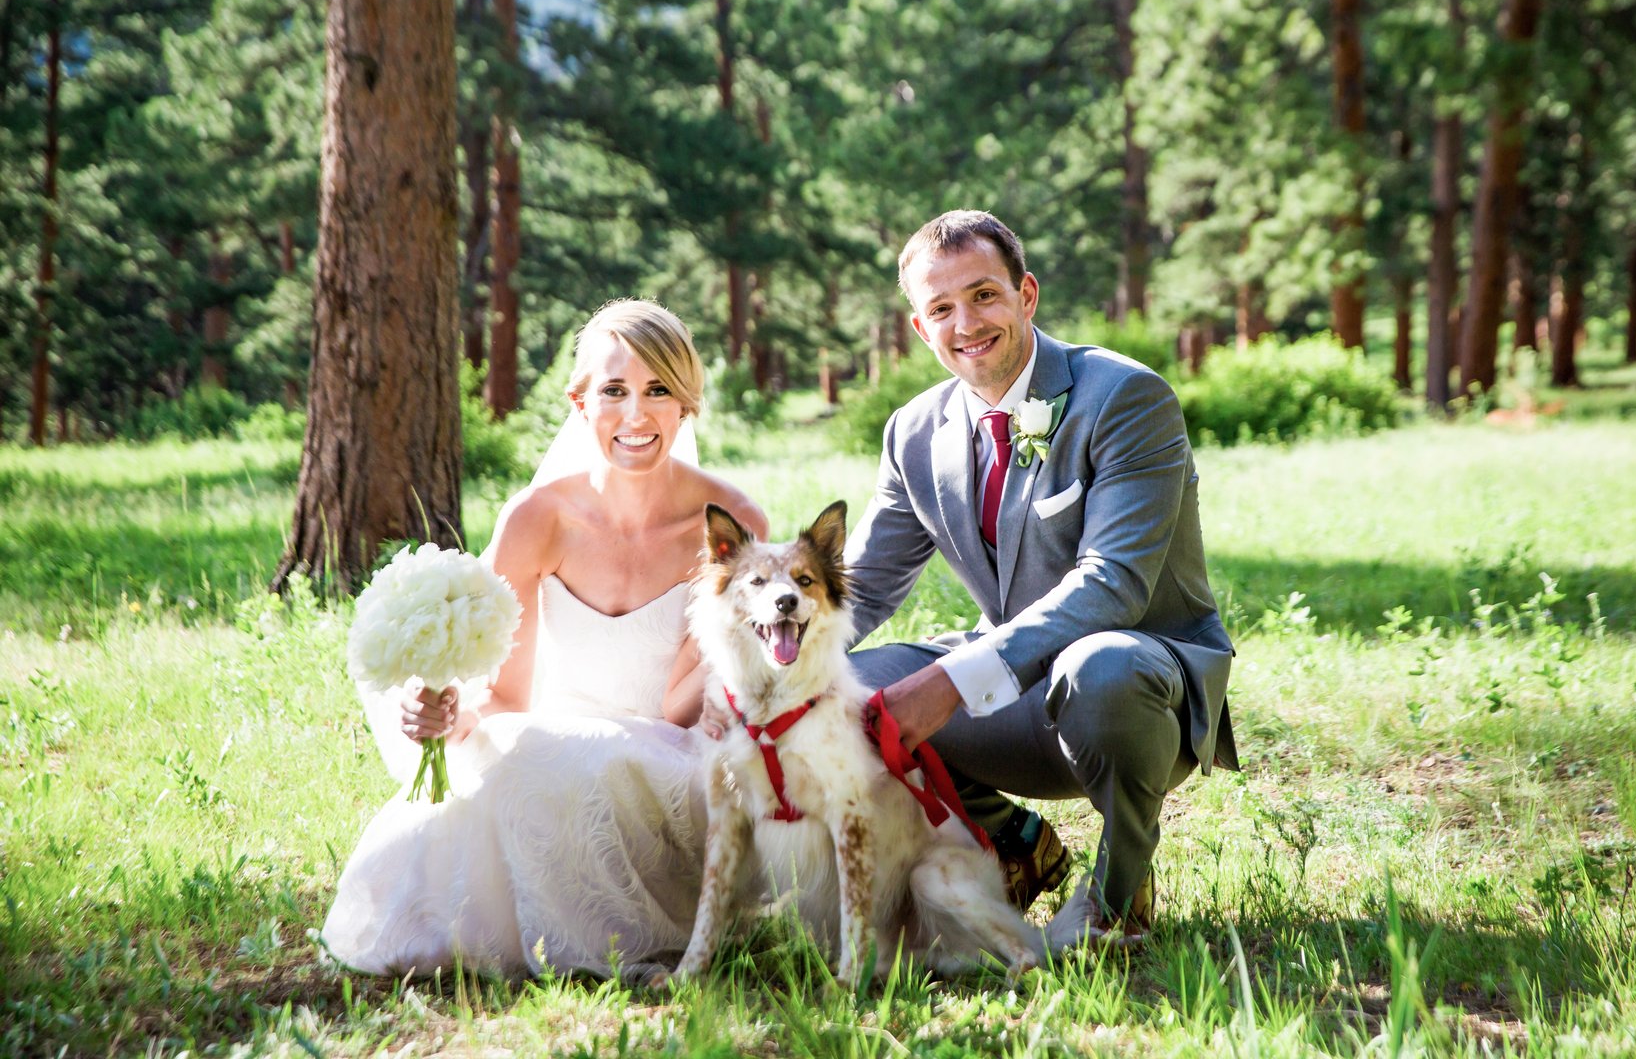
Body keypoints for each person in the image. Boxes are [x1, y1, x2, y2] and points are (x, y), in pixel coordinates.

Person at [320, 300, 766, 977]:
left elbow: (682, 705)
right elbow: (504, 695)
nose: (636, 415)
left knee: (609, 769)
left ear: (686, 403)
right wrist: (448, 712)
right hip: (547, 739)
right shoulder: (537, 519)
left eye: (658, 391)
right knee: (489, 796)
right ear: (580, 402)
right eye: (613, 390)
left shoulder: (730, 520)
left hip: (670, 754)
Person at [844, 210, 1238, 947]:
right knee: (840, 687)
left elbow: (1114, 584)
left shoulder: (1124, 397)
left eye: (983, 295)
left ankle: (1118, 899)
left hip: (1136, 691)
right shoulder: (913, 432)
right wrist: (753, 672)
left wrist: (952, 680)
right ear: (921, 327)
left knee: (1102, 664)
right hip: (1012, 696)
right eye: (941, 308)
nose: (966, 323)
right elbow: (859, 588)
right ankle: (1016, 844)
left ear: (1026, 295)